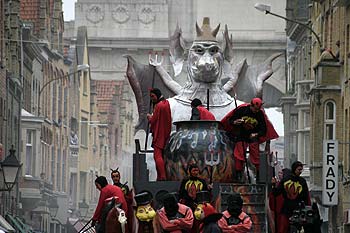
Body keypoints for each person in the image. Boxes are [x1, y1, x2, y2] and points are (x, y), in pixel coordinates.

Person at [221, 97, 278, 181]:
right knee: (239, 155)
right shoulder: (242, 110)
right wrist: (235, 122)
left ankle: (259, 175)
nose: (256, 111)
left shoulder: (260, 114)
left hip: (253, 138)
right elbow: (230, 120)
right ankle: (238, 174)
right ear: (251, 105)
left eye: (258, 109)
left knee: (256, 157)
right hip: (241, 135)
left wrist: (256, 134)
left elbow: (263, 130)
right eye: (255, 109)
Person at [271, 161, 311, 233]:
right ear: (294, 169)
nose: (300, 171)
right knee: (283, 228)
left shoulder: (302, 181)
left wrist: (307, 209)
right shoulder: (286, 180)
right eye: (299, 169)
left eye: (301, 170)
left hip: (298, 210)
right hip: (287, 209)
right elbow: (276, 193)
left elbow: (306, 196)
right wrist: (273, 185)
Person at [147, 88, 172, 181]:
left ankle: (162, 176)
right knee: (162, 156)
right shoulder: (166, 103)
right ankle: (160, 175)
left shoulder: (159, 106)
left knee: (157, 156)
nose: (152, 99)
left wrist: (149, 117)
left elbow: (153, 121)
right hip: (165, 133)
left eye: (153, 96)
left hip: (159, 134)